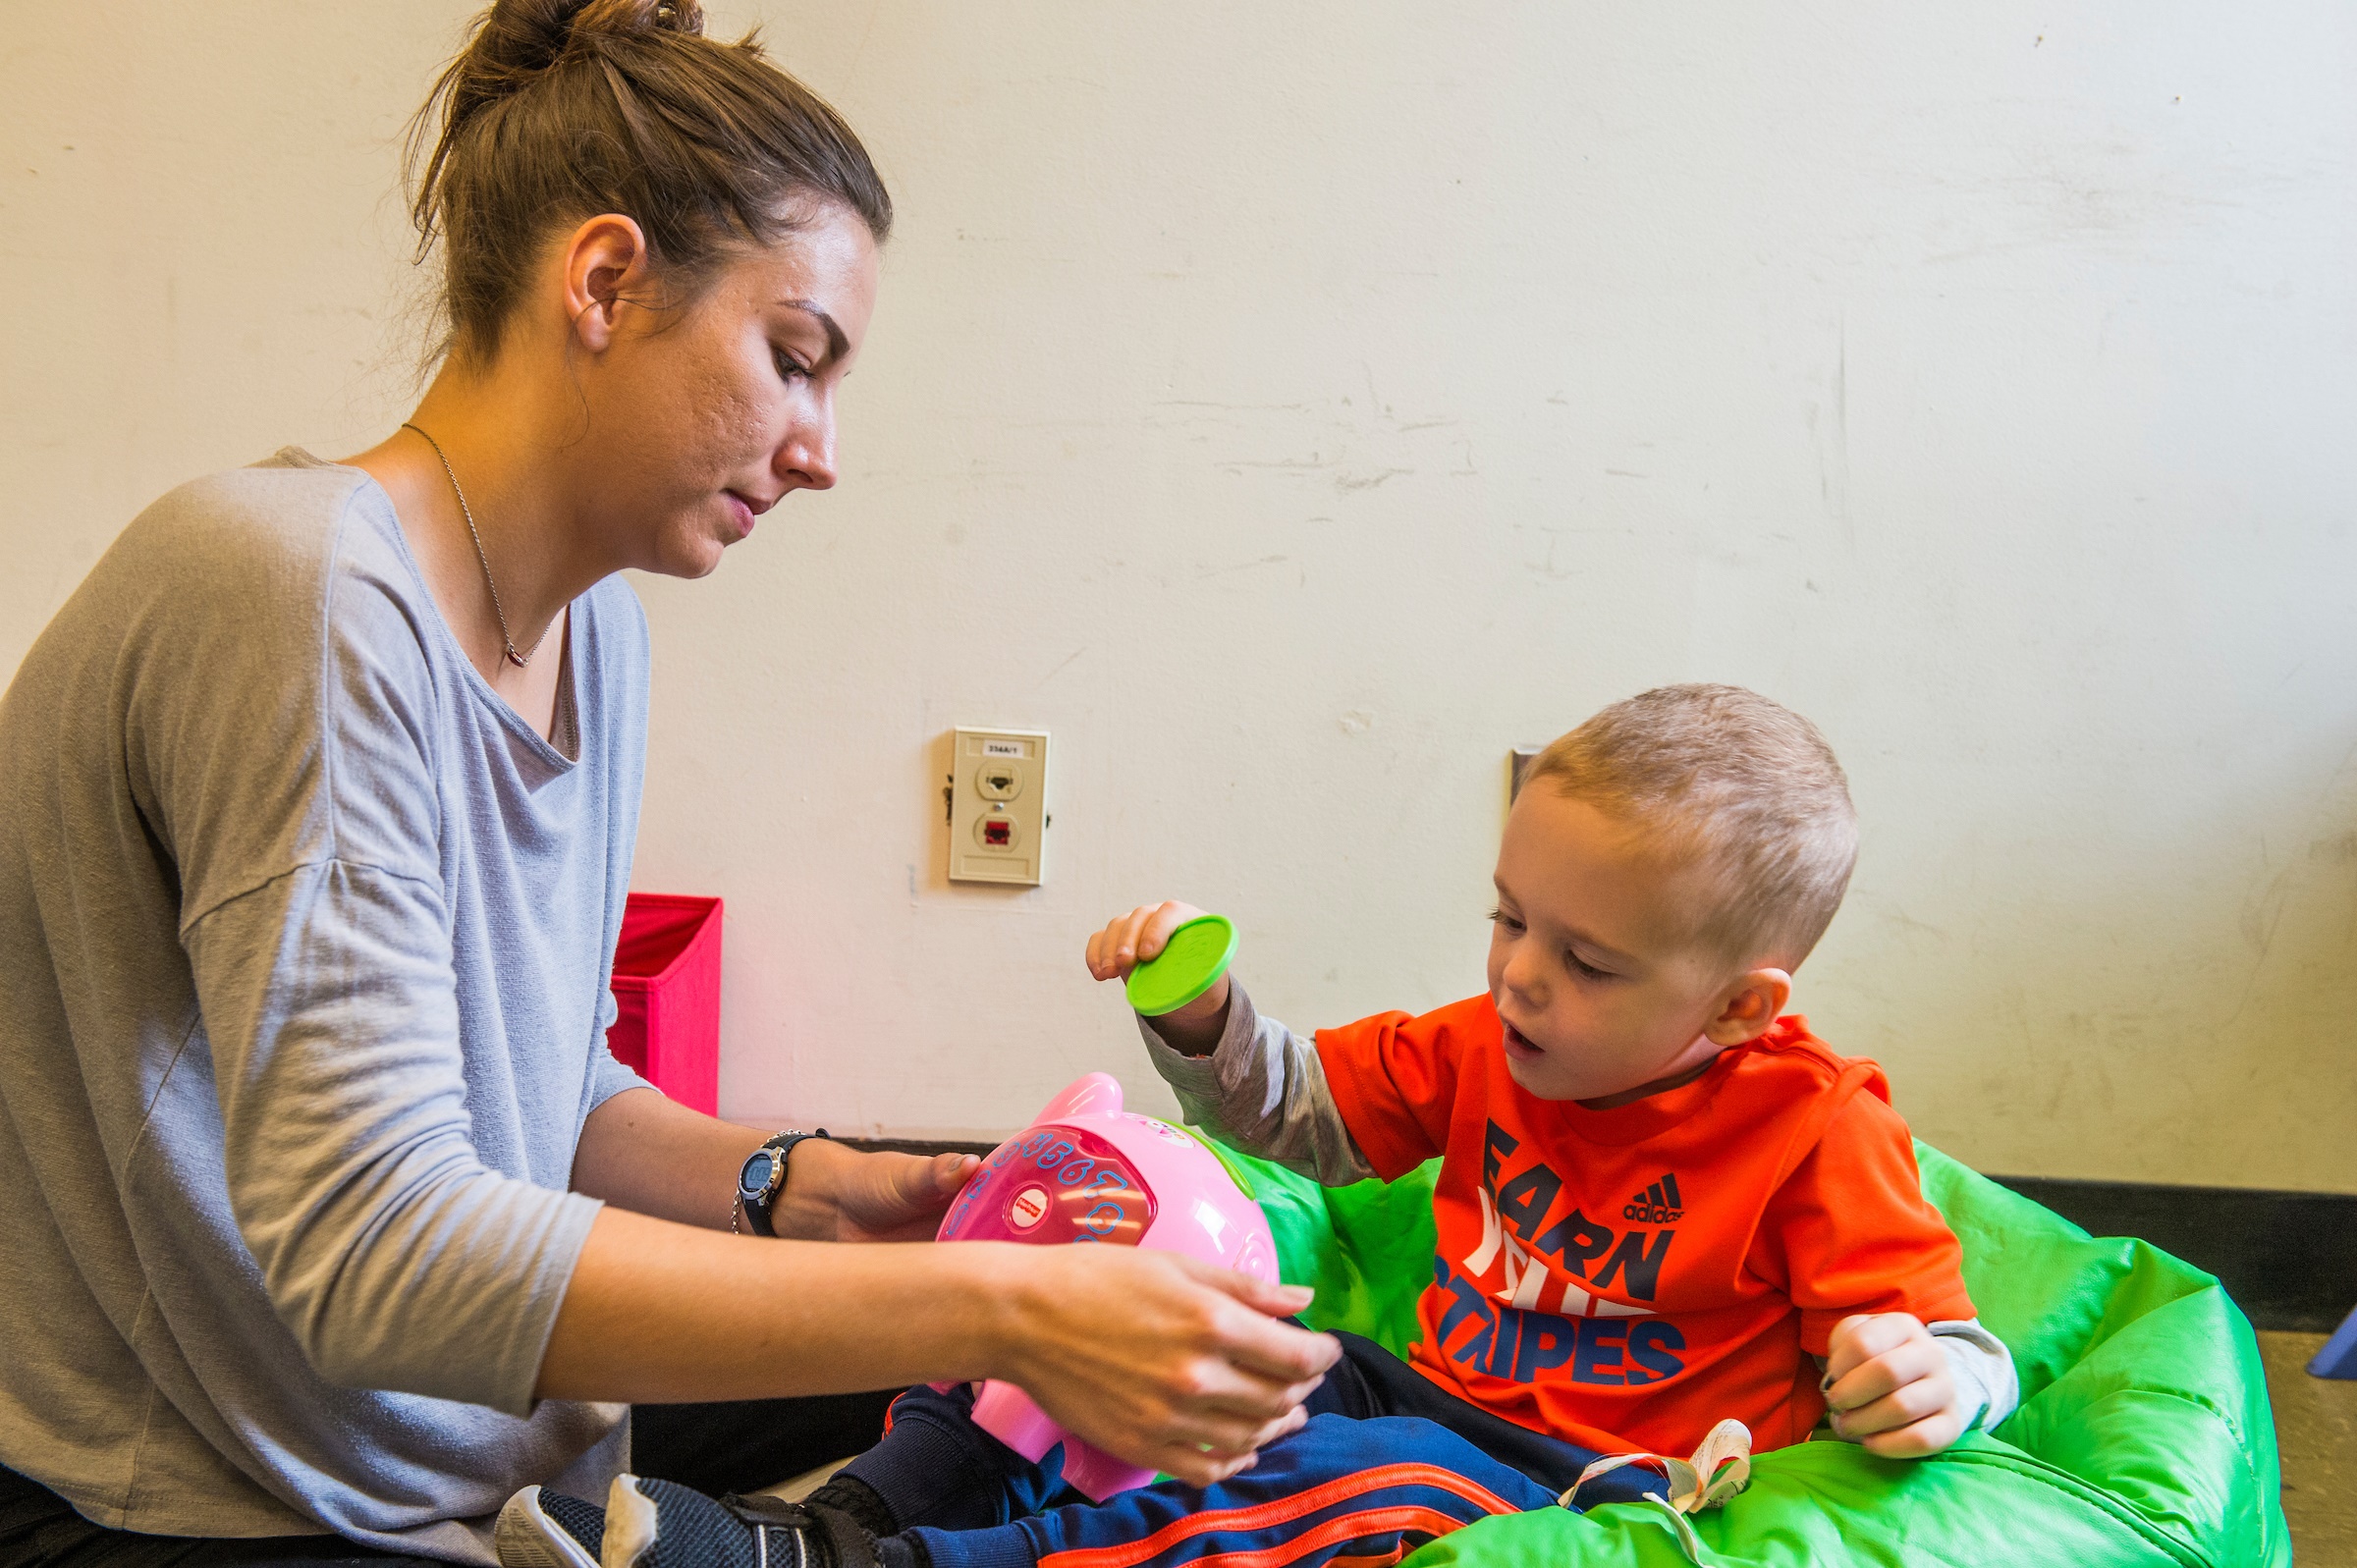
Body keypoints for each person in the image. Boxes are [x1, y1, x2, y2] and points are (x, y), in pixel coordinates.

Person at [0, 5, 1336, 1565]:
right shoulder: (286, 586)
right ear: (608, 280)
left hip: (454, 1434)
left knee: (1028, 1296)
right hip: (194, 1494)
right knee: (986, 1323)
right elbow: (371, 1246)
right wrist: (997, 1300)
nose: (821, 448)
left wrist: (793, 1181)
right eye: (794, 358)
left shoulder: (597, 635)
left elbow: (546, 1092)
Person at [503, 684, 2022, 1568]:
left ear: (1744, 1008)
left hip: (1609, 1482)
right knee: (1124, 1327)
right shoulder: (1494, 1040)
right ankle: (833, 1526)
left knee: (1333, 1485)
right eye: (1509, 919)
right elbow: (1297, 1115)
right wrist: (1203, 1015)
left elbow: (1947, 1342)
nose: (1516, 973)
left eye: (1586, 959)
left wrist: (1926, 1373)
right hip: (1412, 1378)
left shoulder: (1816, 1122)